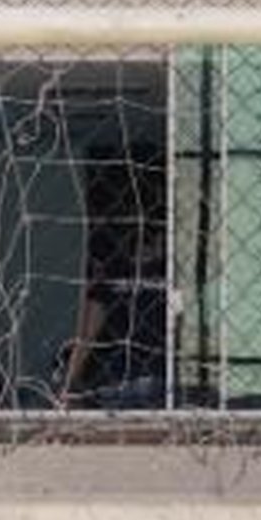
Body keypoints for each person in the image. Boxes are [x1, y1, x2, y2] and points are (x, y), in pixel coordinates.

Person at [55, 152, 172, 408]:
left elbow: (88, 331)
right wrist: (70, 385)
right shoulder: (114, 269)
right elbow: (88, 329)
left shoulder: (165, 268)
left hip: (142, 378)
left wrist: (69, 384)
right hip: (133, 378)